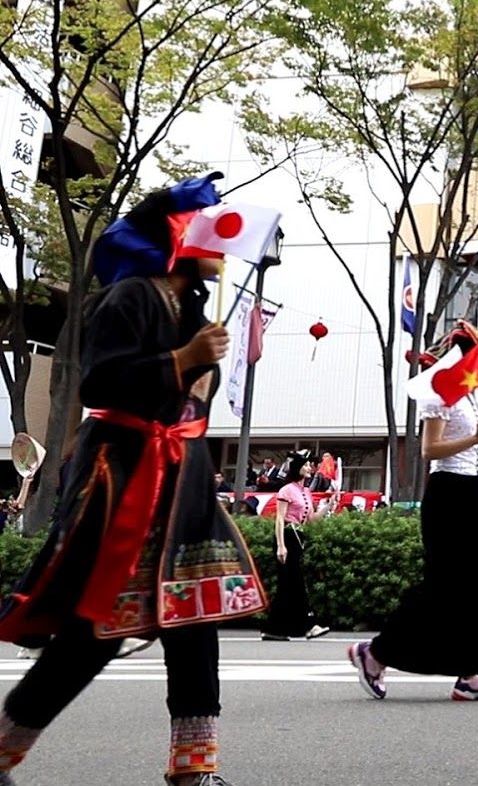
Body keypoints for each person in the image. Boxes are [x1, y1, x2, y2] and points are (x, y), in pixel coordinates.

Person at [0, 177, 267, 786]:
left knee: (195, 617)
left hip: (183, 479)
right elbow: (101, 385)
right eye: (204, 223)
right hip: (122, 476)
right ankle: (3, 748)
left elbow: (191, 398)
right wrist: (183, 361)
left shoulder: (194, 307)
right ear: (172, 234)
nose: (220, 239)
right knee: (95, 628)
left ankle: (193, 768)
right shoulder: (127, 297)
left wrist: (199, 370)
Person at [349, 322, 478, 702]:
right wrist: (476, 437)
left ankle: (470, 672)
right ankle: (375, 653)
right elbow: (429, 450)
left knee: (474, 588)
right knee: (443, 587)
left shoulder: (468, 391)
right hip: (448, 494)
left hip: (469, 491)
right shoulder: (441, 389)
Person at [260, 453, 331, 641]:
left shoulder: (306, 492)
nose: (310, 468)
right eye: (306, 465)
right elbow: (279, 519)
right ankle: (309, 625)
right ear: (298, 468)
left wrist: (329, 505)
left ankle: (274, 629)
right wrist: (281, 545)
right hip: (287, 536)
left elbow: (312, 519)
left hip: (299, 536)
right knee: (296, 583)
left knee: (287, 585)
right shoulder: (286, 490)